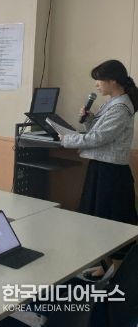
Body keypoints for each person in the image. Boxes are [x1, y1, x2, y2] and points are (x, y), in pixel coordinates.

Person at [61, 59, 138, 279]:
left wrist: (66, 140)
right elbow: (96, 131)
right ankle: (106, 266)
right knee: (96, 219)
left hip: (112, 174)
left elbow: (100, 138)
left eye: (99, 80)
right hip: (100, 168)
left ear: (113, 80)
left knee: (112, 223)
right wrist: (88, 120)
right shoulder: (112, 102)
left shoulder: (121, 106)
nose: (97, 85)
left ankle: (119, 272)